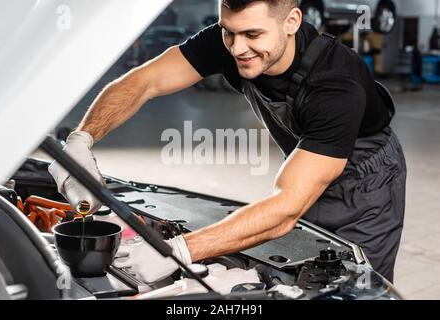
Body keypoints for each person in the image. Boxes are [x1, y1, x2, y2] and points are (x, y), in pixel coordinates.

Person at [49, 0, 406, 283]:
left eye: (253, 34)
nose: (238, 49)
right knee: (298, 274)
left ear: (292, 22)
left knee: (355, 286)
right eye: (229, 32)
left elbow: (284, 211)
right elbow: (145, 81)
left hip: (367, 181)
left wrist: (177, 251)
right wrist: (82, 139)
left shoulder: (335, 84)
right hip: (307, 162)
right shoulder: (231, 40)